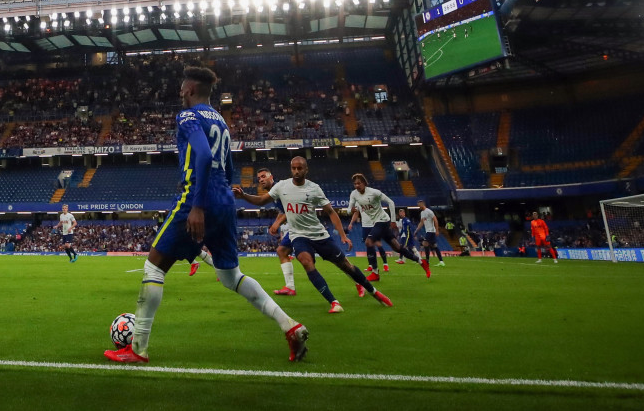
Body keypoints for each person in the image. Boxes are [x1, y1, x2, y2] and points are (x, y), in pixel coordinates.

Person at [104, 66, 308, 364]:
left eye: (181, 88)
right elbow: (227, 168)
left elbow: (202, 154)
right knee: (231, 276)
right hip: (225, 199)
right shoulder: (222, 123)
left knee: (154, 268)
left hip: (197, 196)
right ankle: (290, 326)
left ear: (189, 90)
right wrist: (219, 197)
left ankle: (137, 349)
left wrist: (198, 205)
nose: (179, 93)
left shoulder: (188, 115)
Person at [235, 156, 392, 314]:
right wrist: (244, 195)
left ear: (306, 169)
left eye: (300, 168)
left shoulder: (314, 188)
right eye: (293, 168)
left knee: (345, 265)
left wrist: (343, 235)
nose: (296, 171)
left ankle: (374, 292)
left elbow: (330, 211)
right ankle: (334, 302)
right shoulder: (282, 186)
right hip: (298, 235)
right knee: (305, 261)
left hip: (318, 234)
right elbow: (262, 200)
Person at [348, 174, 427, 277]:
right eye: (355, 184)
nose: (357, 185)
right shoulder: (354, 194)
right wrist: (351, 210)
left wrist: (393, 220)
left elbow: (391, 202)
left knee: (368, 241)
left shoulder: (374, 192)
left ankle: (375, 272)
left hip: (383, 220)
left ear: (364, 183)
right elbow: (349, 209)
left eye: (358, 183)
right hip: (375, 222)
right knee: (397, 247)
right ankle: (421, 261)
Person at [417, 200, 445, 268]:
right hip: (428, 231)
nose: (418, 206)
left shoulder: (429, 211)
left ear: (422, 204)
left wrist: (437, 230)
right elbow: (421, 222)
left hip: (431, 230)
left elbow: (435, 220)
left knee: (425, 243)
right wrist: (417, 230)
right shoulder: (422, 213)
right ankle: (441, 262)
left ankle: (427, 261)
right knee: (434, 246)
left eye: (419, 205)